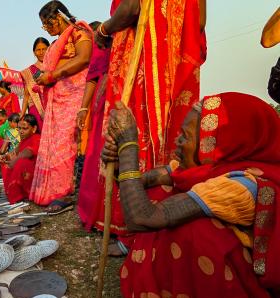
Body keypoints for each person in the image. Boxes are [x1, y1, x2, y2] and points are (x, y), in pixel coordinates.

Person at [101, 93, 280, 298]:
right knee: (164, 191)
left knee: (196, 232)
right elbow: (141, 183)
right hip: (215, 283)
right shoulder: (206, 169)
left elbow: (141, 217)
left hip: (247, 297)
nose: (178, 142)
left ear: (218, 144)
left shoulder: (241, 185)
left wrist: (129, 145)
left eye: (185, 137)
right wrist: (118, 162)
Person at [93, 0, 207, 248]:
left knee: (132, 130)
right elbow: (198, 21)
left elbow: (132, 7)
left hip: (145, 55)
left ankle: (138, 226)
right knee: (173, 134)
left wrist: (103, 29)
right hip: (178, 58)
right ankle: (162, 219)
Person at [29, 0, 92, 213]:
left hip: (74, 97)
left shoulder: (78, 31)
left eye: (48, 22)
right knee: (57, 146)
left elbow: (84, 58)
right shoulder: (57, 43)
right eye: (44, 25)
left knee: (68, 145)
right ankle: (54, 190)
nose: (47, 28)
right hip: (59, 99)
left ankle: (65, 192)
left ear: (59, 16)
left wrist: (52, 75)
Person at [76, 21, 111, 229]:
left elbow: (92, 78)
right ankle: (98, 212)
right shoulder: (100, 48)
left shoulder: (106, 40)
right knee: (98, 152)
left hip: (113, 97)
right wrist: (83, 109)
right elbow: (92, 77)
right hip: (105, 97)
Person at [1, 115, 41, 204]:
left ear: (34, 128)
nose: (21, 132)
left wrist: (15, 161)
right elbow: (14, 152)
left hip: (35, 173)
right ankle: (14, 192)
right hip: (26, 170)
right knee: (6, 165)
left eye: (25, 128)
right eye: (19, 128)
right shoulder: (23, 140)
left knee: (20, 162)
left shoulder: (36, 138)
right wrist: (5, 157)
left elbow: (28, 152)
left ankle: (23, 194)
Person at [20, 37, 50, 132]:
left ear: (49, 49)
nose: (41, 52)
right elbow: (26, 95)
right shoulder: (28, 72)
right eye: (38, 50)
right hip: (36, 111)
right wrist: (22, 114)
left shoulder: (56, 67)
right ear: (34, 52)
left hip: (53, 108)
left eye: (44, 49)